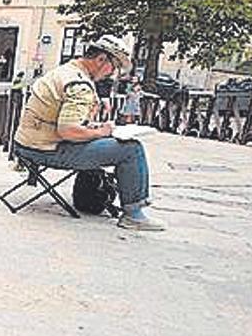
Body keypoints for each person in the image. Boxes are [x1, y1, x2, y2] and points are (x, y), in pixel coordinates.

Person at [12, 34, 164, 231]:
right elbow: (67, 130)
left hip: (29, 143)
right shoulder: (79, 85)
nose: (112, 74)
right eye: (114, 67)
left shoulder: (65, 71)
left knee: (118, 145)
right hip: (45, 148)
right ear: (101, 59)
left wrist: (92, 128)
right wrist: (103, 131)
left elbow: (59, 120)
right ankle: (133, 213)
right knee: (131, 149)